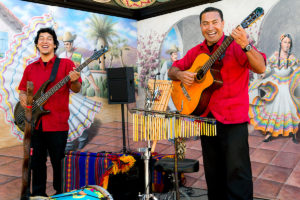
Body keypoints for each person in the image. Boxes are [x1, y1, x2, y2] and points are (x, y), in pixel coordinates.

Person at [168, 7, 266, 200]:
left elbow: (261, 67)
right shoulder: (196, 52)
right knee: (213, 175)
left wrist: (246, 44)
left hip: (232, 121)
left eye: (214, 22)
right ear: (201, 27)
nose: (210, 27)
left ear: (222, 24)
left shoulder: (237, 46)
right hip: (206, 121)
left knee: (237, 174)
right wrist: (180, 74)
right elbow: (173, 70)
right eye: (205, 23)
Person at [18, 27, 81, 196]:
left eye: (49, 39)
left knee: (59, 163)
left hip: (58, 124)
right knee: (36, 163)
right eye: (41, 39)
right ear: (37, 44)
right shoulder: (30, 68)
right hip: (35, 124)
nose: (45, 41)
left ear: (54, 45)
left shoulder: (67, 64)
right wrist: (23, 97)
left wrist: (74, 81)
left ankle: (60, 195)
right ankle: (38, 195)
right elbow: (22, 90)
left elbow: (76, 88)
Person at [249, 34, 299, 143]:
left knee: (291, 102)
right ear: (280, 43)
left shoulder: (291, 58)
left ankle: (295, 131)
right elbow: (268, 68)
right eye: (285, 42)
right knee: (272, 101)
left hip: (288, 83)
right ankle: (270, 132)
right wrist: (263, 74)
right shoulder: (275, 56)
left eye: (289, 42)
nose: (287, 45)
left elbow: (297, 72)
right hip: (275, 82)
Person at [59, 31, 100, 150]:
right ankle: (68, 142)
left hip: (76, 89)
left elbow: (86, 72)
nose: (68, 46)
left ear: (72, 43)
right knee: (65, 116)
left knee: (78, 115)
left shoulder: (78, 57)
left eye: (69, 43)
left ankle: (83, 138)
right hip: (64, 91)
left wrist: (94, 85)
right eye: (65, 44)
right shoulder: (61, 57)